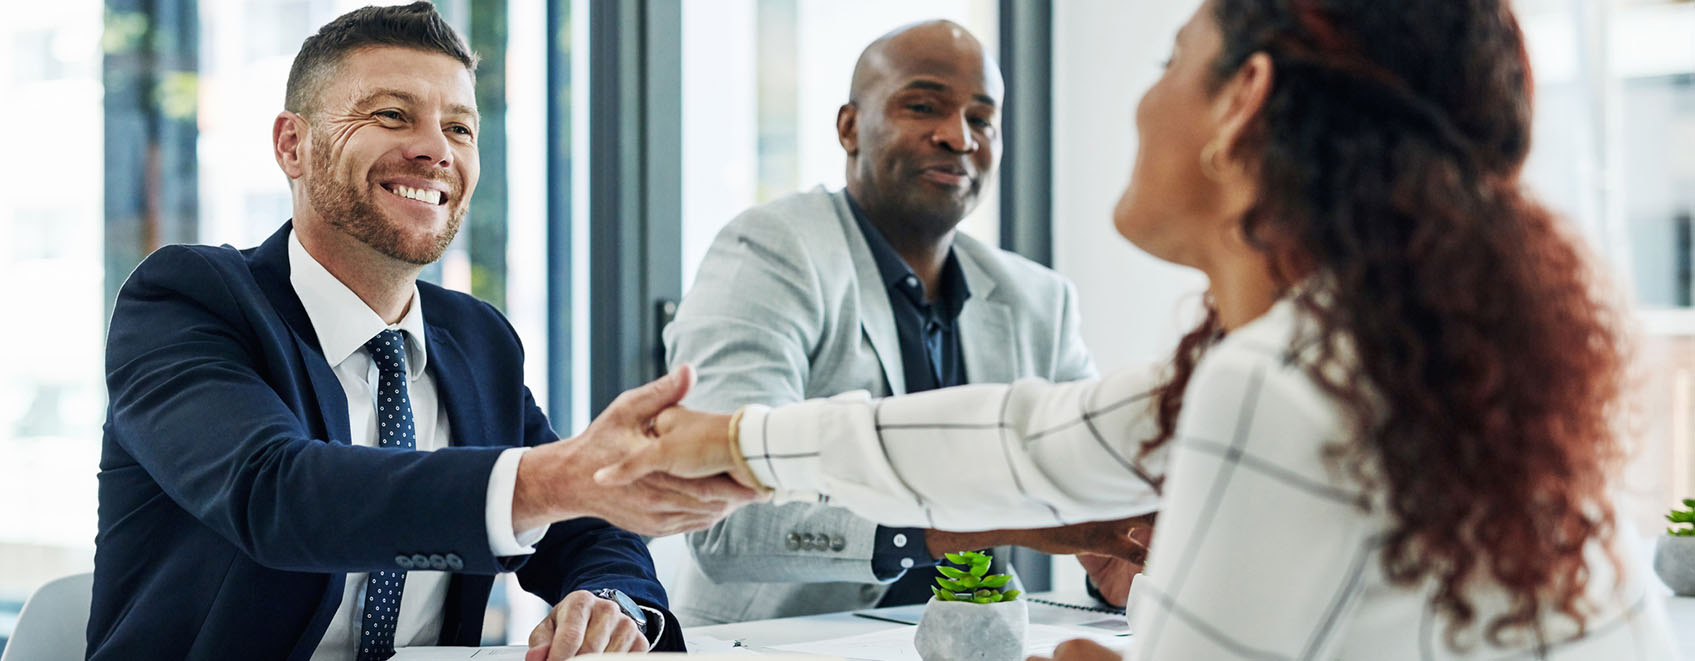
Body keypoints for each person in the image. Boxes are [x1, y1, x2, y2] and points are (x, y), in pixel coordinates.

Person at [598, 0, 1680, 658]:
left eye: (1170, 58)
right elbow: (1032, 439)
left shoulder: (1281, 379)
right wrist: (730, 440)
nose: (1141, 98)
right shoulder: (1372, 346)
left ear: (1241, 102)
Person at [90, 4, 758, 660]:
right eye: (391, 115)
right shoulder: (188, 301)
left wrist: (610, 602)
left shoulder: (477, 339)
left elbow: (584, 526)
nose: (436, 150)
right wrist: (557, 477)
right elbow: (278, 494)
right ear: (293, 145)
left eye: (461, 129)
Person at [661, 19, 1147, 625]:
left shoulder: (1040, 299)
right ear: (849, 127)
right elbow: (720, 512)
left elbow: (1094, 490)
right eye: (924, 106)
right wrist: (992, 518)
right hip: (780, 643)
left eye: (982, 118)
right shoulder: (770, 252)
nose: (958, 137)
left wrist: (1114, 570)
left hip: (977, 641)